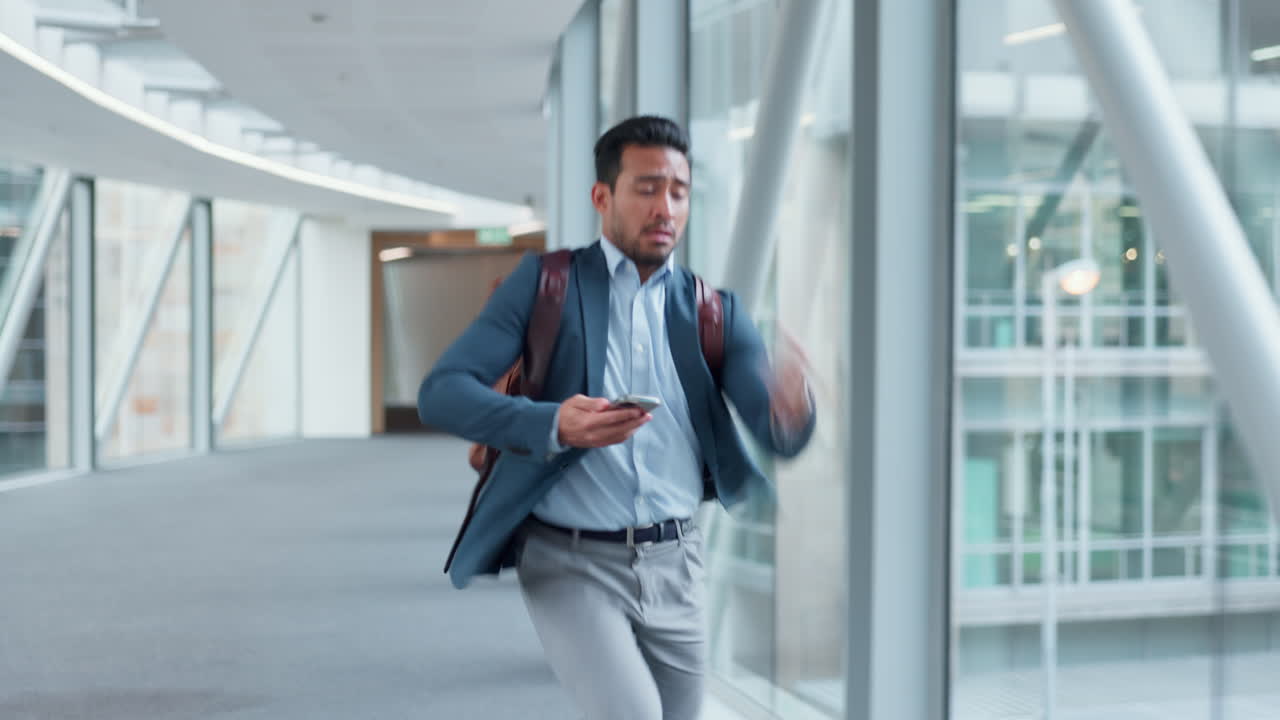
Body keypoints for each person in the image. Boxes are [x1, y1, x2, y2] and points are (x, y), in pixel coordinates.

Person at [418, 115, 816, 720]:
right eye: (648, 187)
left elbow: (776, 436)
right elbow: (442, 393)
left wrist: (792, 408)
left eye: (679, 191)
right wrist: (553, 424)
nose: (666, 207)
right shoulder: (543, 286)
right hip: (568, 561)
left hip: (676, 563)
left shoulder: (715, 311)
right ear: (603, 197)